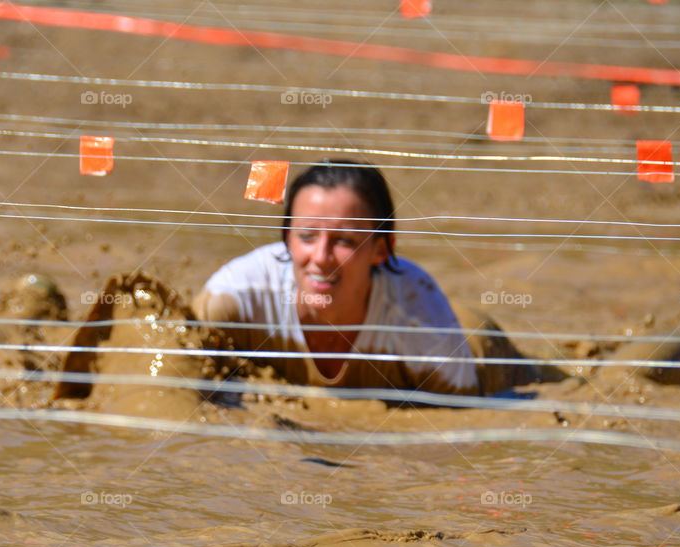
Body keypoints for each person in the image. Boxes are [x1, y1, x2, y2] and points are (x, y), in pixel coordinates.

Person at [193, 159, 548, 396]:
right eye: (306, 236)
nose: (320, 258)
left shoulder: (422, 323)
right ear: (286, 238)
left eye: (344, 241)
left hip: (477, 349)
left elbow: (465, 427)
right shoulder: (236, 298)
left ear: (382, 250)